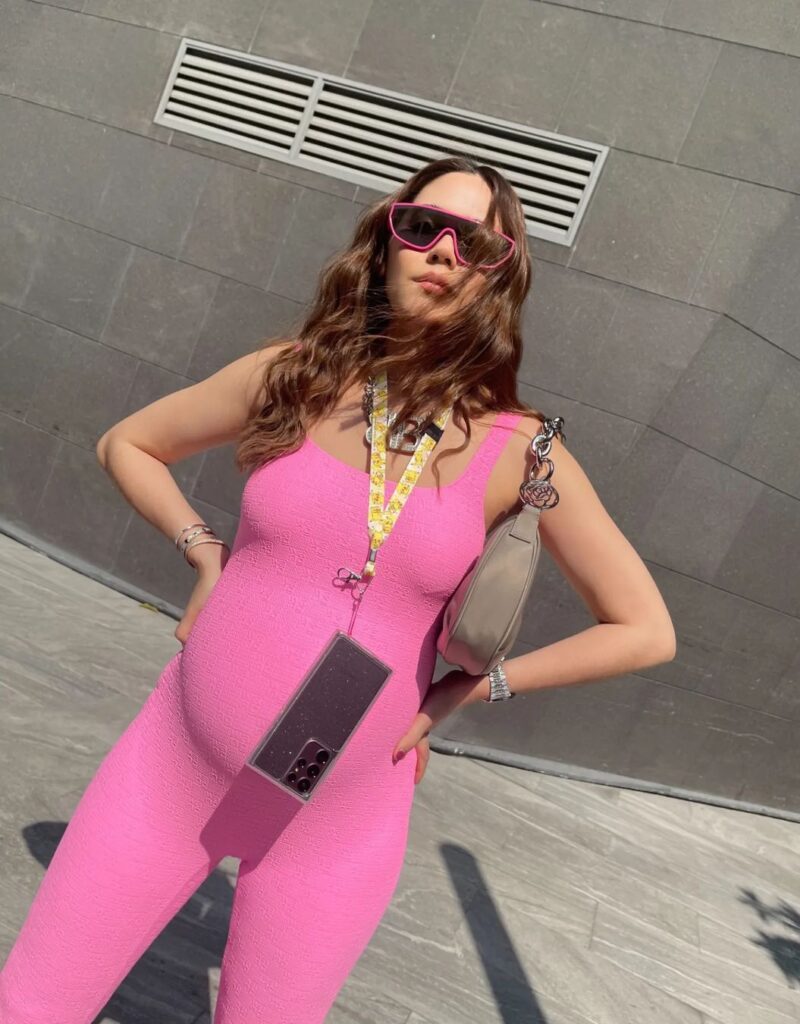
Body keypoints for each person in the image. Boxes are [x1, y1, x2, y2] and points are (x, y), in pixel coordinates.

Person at [0, 154, 676, 1023]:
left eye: (476, 244)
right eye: (423, 227)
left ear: (499, 278)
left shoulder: (520, 450)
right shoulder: (293, 375)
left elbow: (642, 628)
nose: (444, 253)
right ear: (385, 240)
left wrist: (470, 688)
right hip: (170, 771)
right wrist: (205, 555)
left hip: (336, 828)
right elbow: (126, 443)